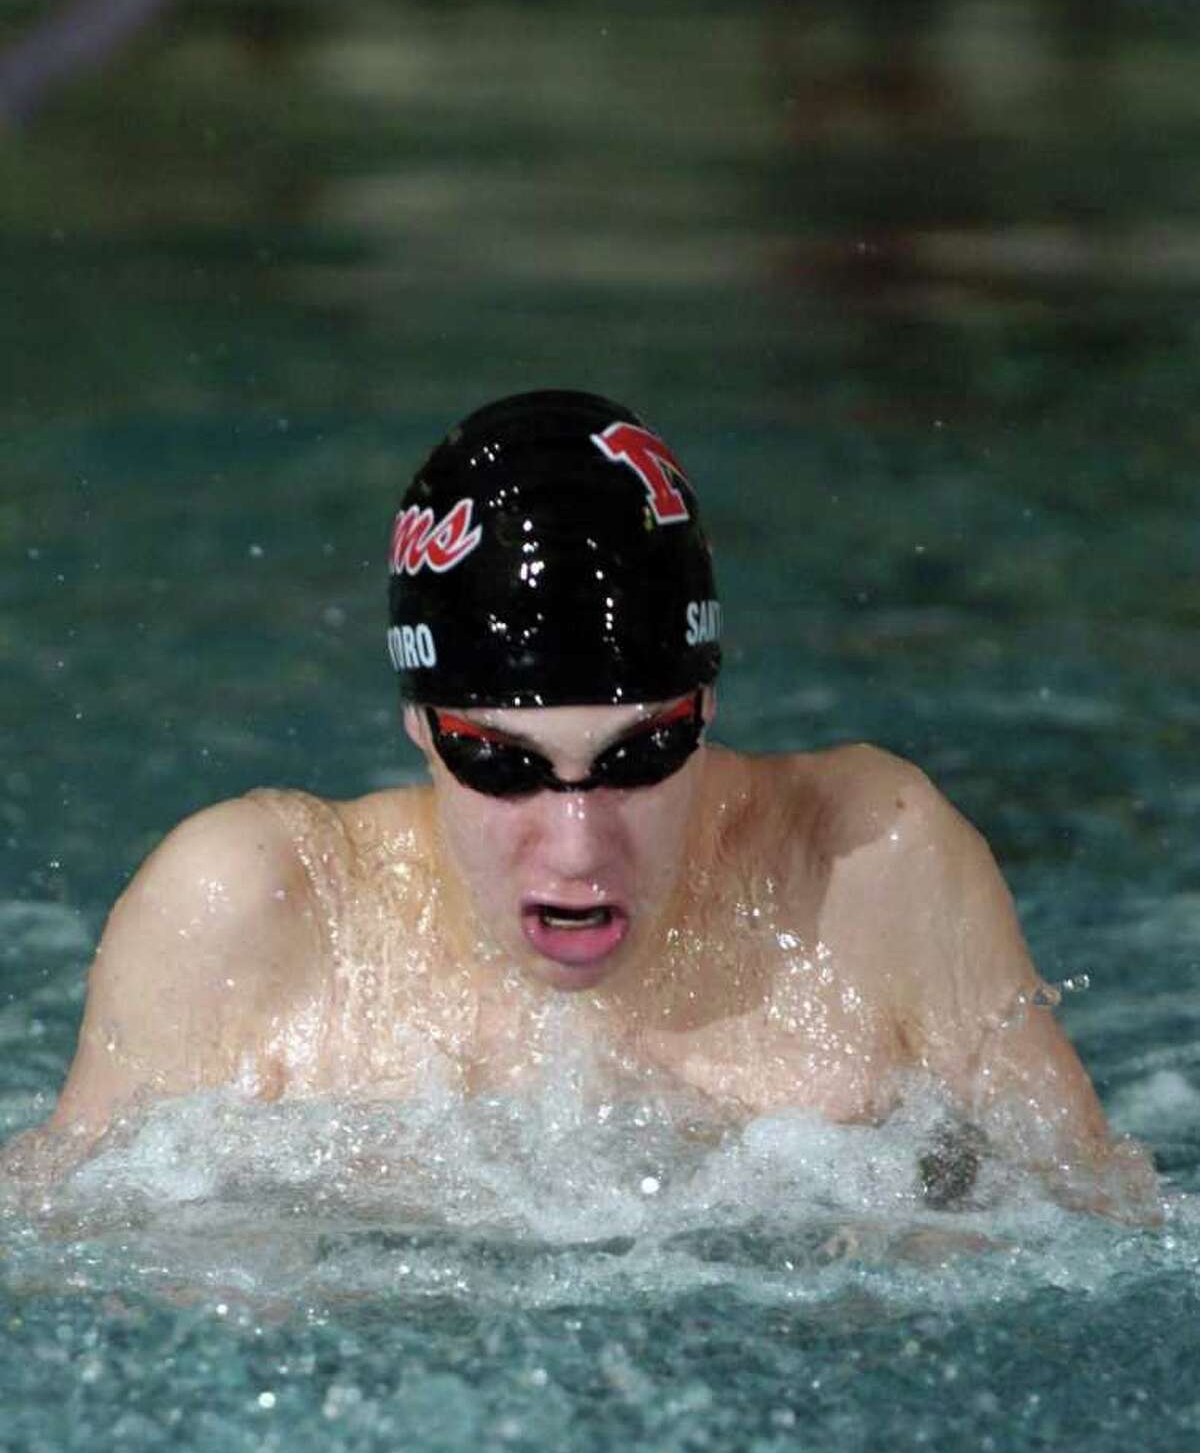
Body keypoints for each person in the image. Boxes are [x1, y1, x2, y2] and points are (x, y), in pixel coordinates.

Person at [28, 390, 1155, 1217]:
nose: (576, 844)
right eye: (503, 763)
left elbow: (1107, 1227)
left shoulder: (868, 867)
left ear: (706, 707)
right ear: (419, 722)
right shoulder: (251, 911)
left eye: (642, 752)